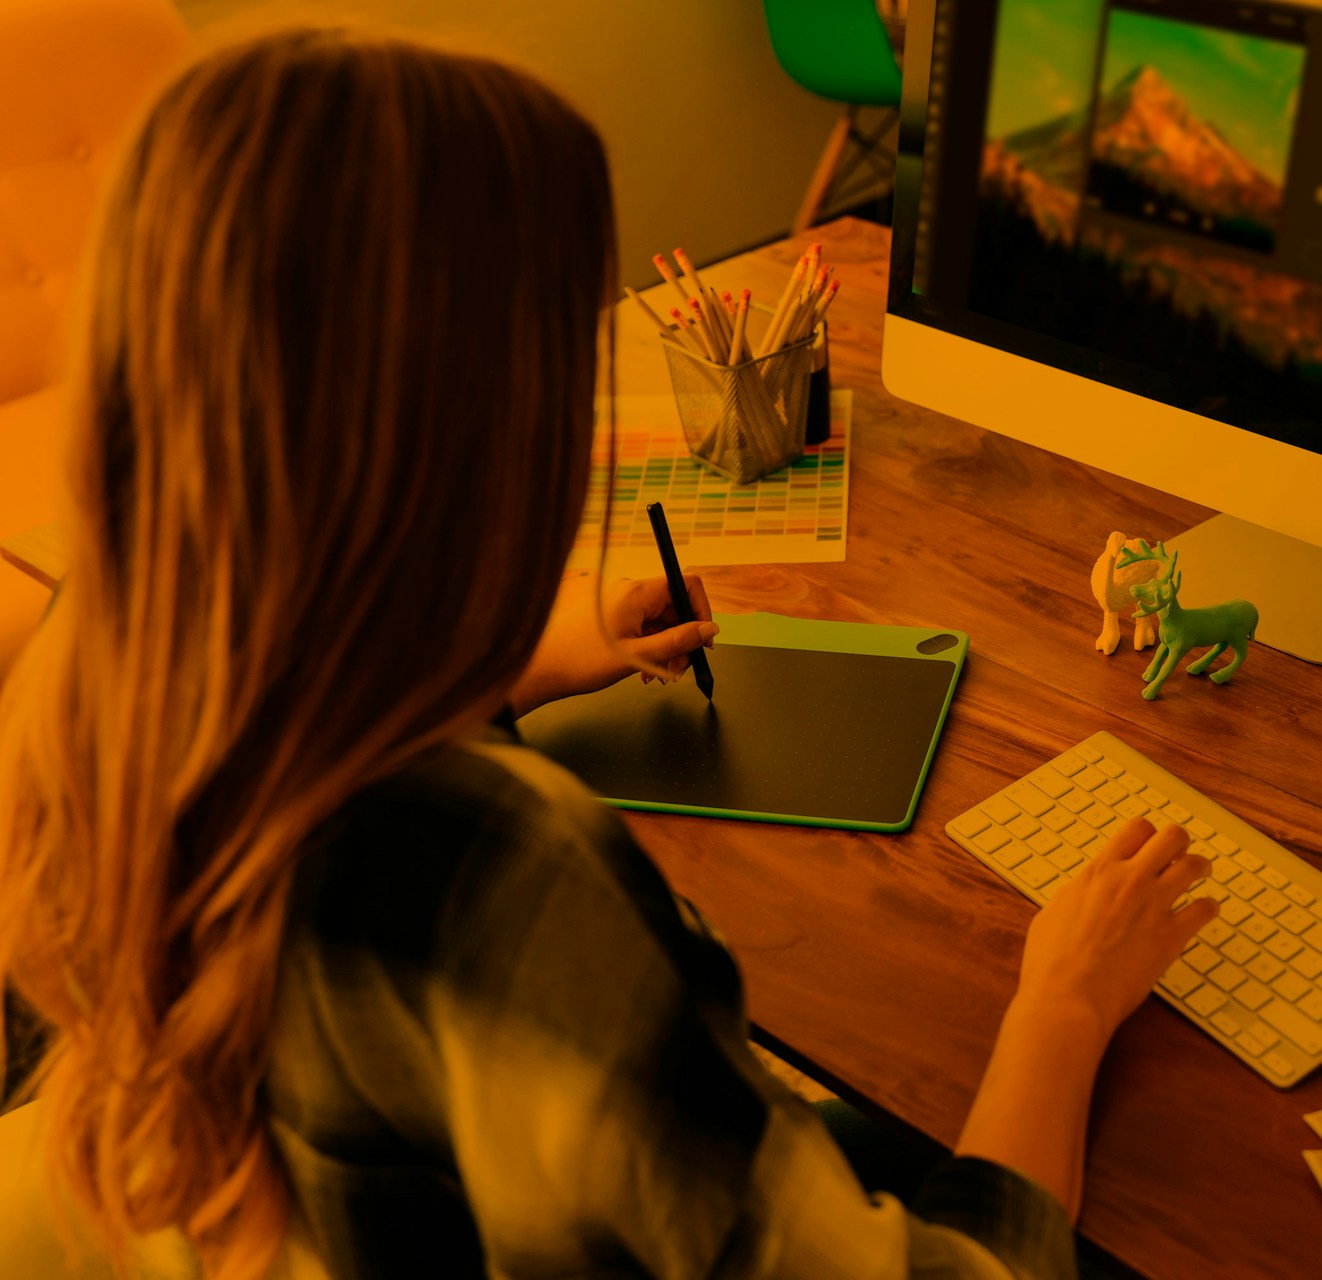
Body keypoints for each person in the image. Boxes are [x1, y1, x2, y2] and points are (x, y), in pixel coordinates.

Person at [0, 28, 1218, 1280]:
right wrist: (1063, 1004)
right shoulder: (489, 872)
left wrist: (506, 670)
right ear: (482, 419)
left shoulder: (105, 688)